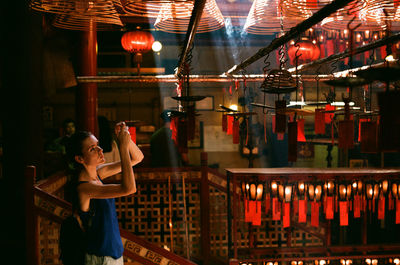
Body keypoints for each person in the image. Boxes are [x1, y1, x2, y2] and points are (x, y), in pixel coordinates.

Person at [65, 122, 143, 265]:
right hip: (100, 258)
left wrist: (125, 138)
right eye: (92, 149)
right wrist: (123, 148)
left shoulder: (98, 173)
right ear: (80, 159)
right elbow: (129, 189)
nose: (100, 150)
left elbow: (137, 158)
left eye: (98, 145)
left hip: (113, 254)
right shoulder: (85, 188)